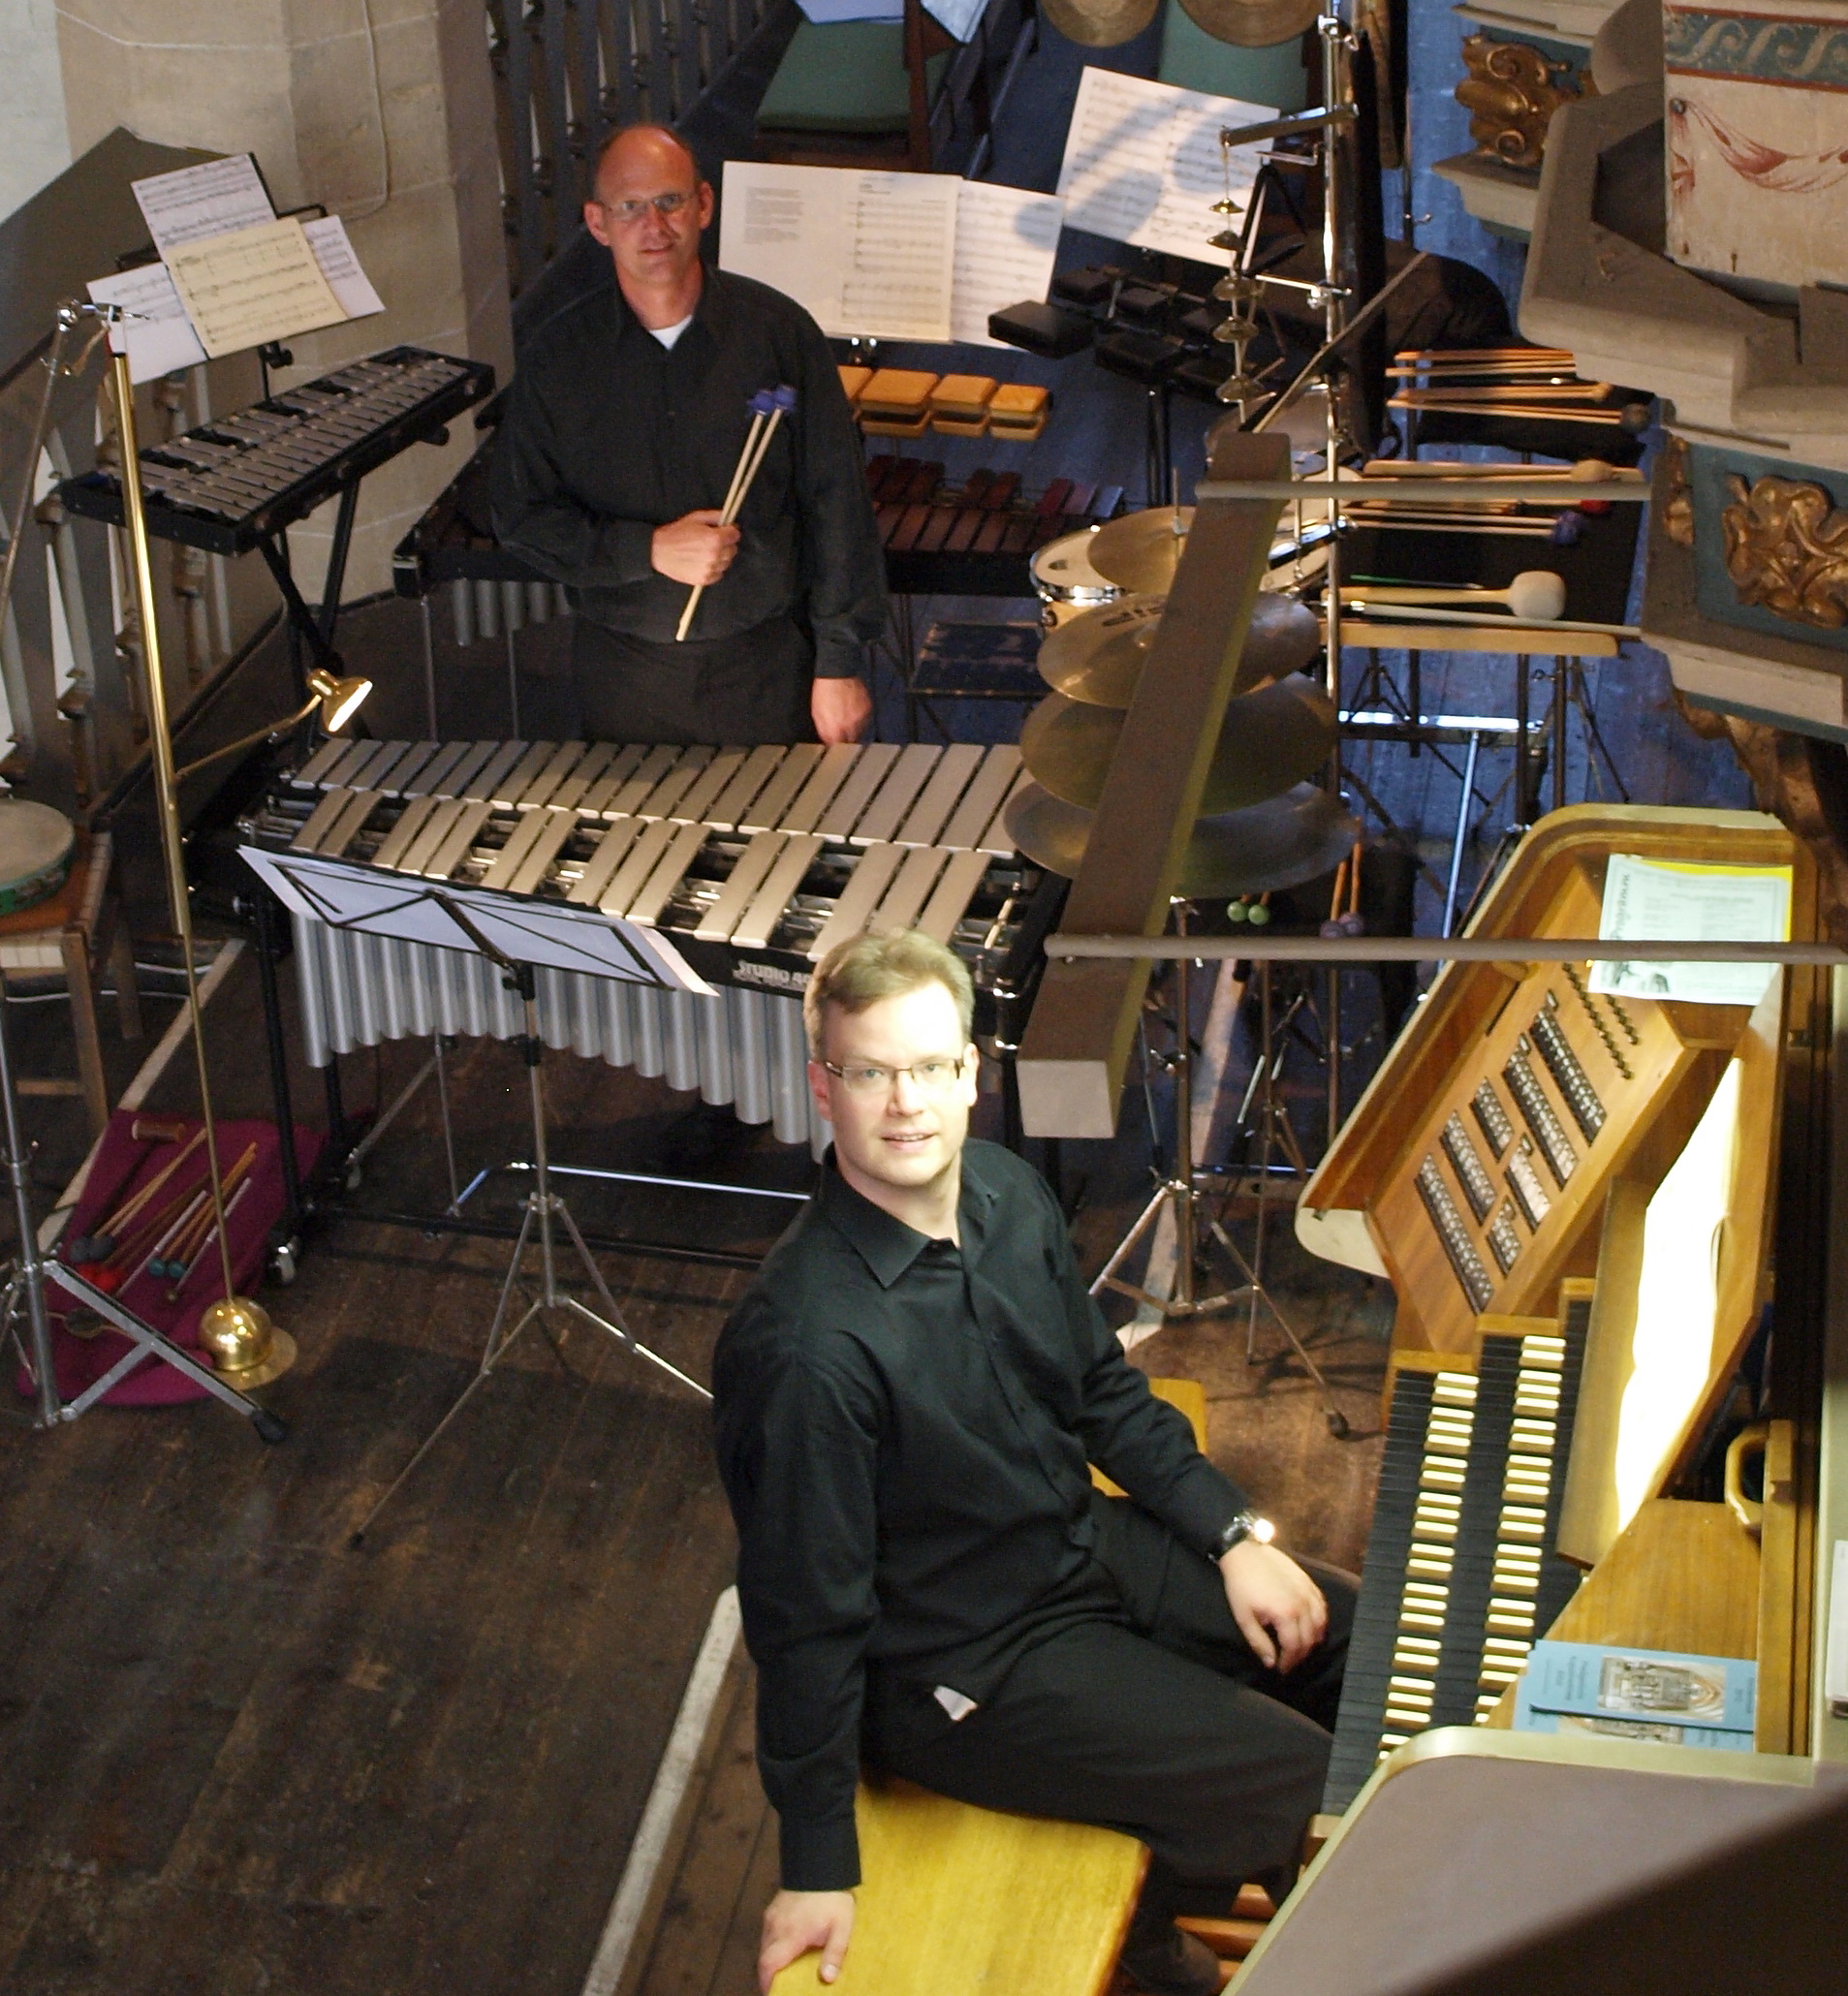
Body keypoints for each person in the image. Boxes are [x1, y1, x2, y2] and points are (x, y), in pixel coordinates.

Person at [711, 931, 1354, 1996]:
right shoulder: (804, 1348)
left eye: (928, 1066)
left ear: (970, 1071)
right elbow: (799, 1613)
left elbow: (1100, 1391)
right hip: (964, 1662)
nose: (904, 1102)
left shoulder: (1004, 1193)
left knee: (1347, 1637)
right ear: (823, 1088)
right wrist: (816, 1861)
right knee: (1304, 1789)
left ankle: (1177, 1899)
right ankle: (1166, 1944)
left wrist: (1231, 1534)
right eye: (869, 1071)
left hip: (1075, 1550)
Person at [490, 123, 884, 747]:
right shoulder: (559, 357)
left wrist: (839, 663)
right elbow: (521, 518)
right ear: (598, 223)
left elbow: (838, 506)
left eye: (670, 201)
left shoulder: (779, 334)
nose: (655, 226)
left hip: (771, 665)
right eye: (630, 208)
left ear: (703, 204)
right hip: (624, 675)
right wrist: (646, 549)